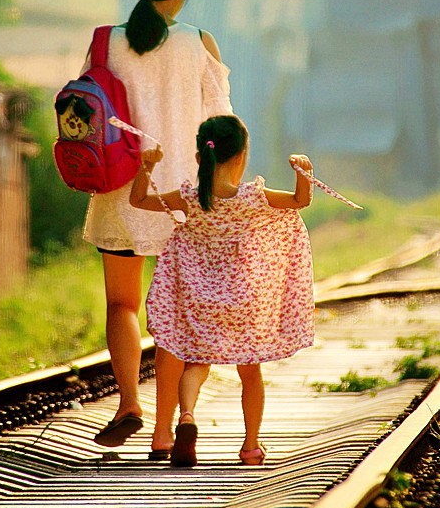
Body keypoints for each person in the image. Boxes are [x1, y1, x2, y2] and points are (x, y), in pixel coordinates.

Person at [83, 0, 234, 459]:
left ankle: (129, 402)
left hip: (122, 188)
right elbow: (222, 126)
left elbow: (87, 110)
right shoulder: (199, 43)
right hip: (184, 198)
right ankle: (166, 430)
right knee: (175, 315)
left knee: (121, 304)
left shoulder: (105, 42)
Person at [130, 114, 316, 467]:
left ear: (200, 157)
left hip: (197, 299)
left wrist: (147, 167)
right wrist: (303, 171)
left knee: (196, 363)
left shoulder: (188, 197)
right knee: (250, 372)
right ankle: (250, 448)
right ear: (241, 157)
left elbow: (139, 200)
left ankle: (185, 416)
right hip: (242, 299)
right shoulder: (252, 197)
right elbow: (298, 201)